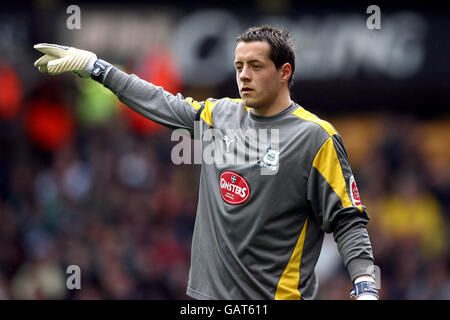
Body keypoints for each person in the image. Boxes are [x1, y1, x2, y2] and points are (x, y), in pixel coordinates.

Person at [33, 25, 378, 300]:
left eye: (256, 66)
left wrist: (364, 282)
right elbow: (159, 100)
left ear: (285, 72)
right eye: (239, 66)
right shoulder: (219, 114)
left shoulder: (316, 138)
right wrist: (97, 66)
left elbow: (347, 219)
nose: (243, 75)